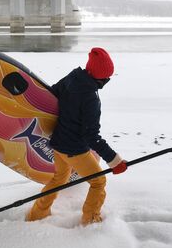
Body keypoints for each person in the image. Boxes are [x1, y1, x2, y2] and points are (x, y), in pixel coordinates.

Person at [26, 47, 127, 226]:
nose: (107, 80)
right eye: (106, 77)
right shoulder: (90, 98)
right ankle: (90, 219)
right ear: (99, 76)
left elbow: (53, 93)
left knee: (59, 179)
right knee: (98, 182)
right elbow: (91, 136)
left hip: (58, 143)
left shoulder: (73, 77)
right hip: (74, 149)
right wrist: (114, 160)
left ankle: (37, 214)